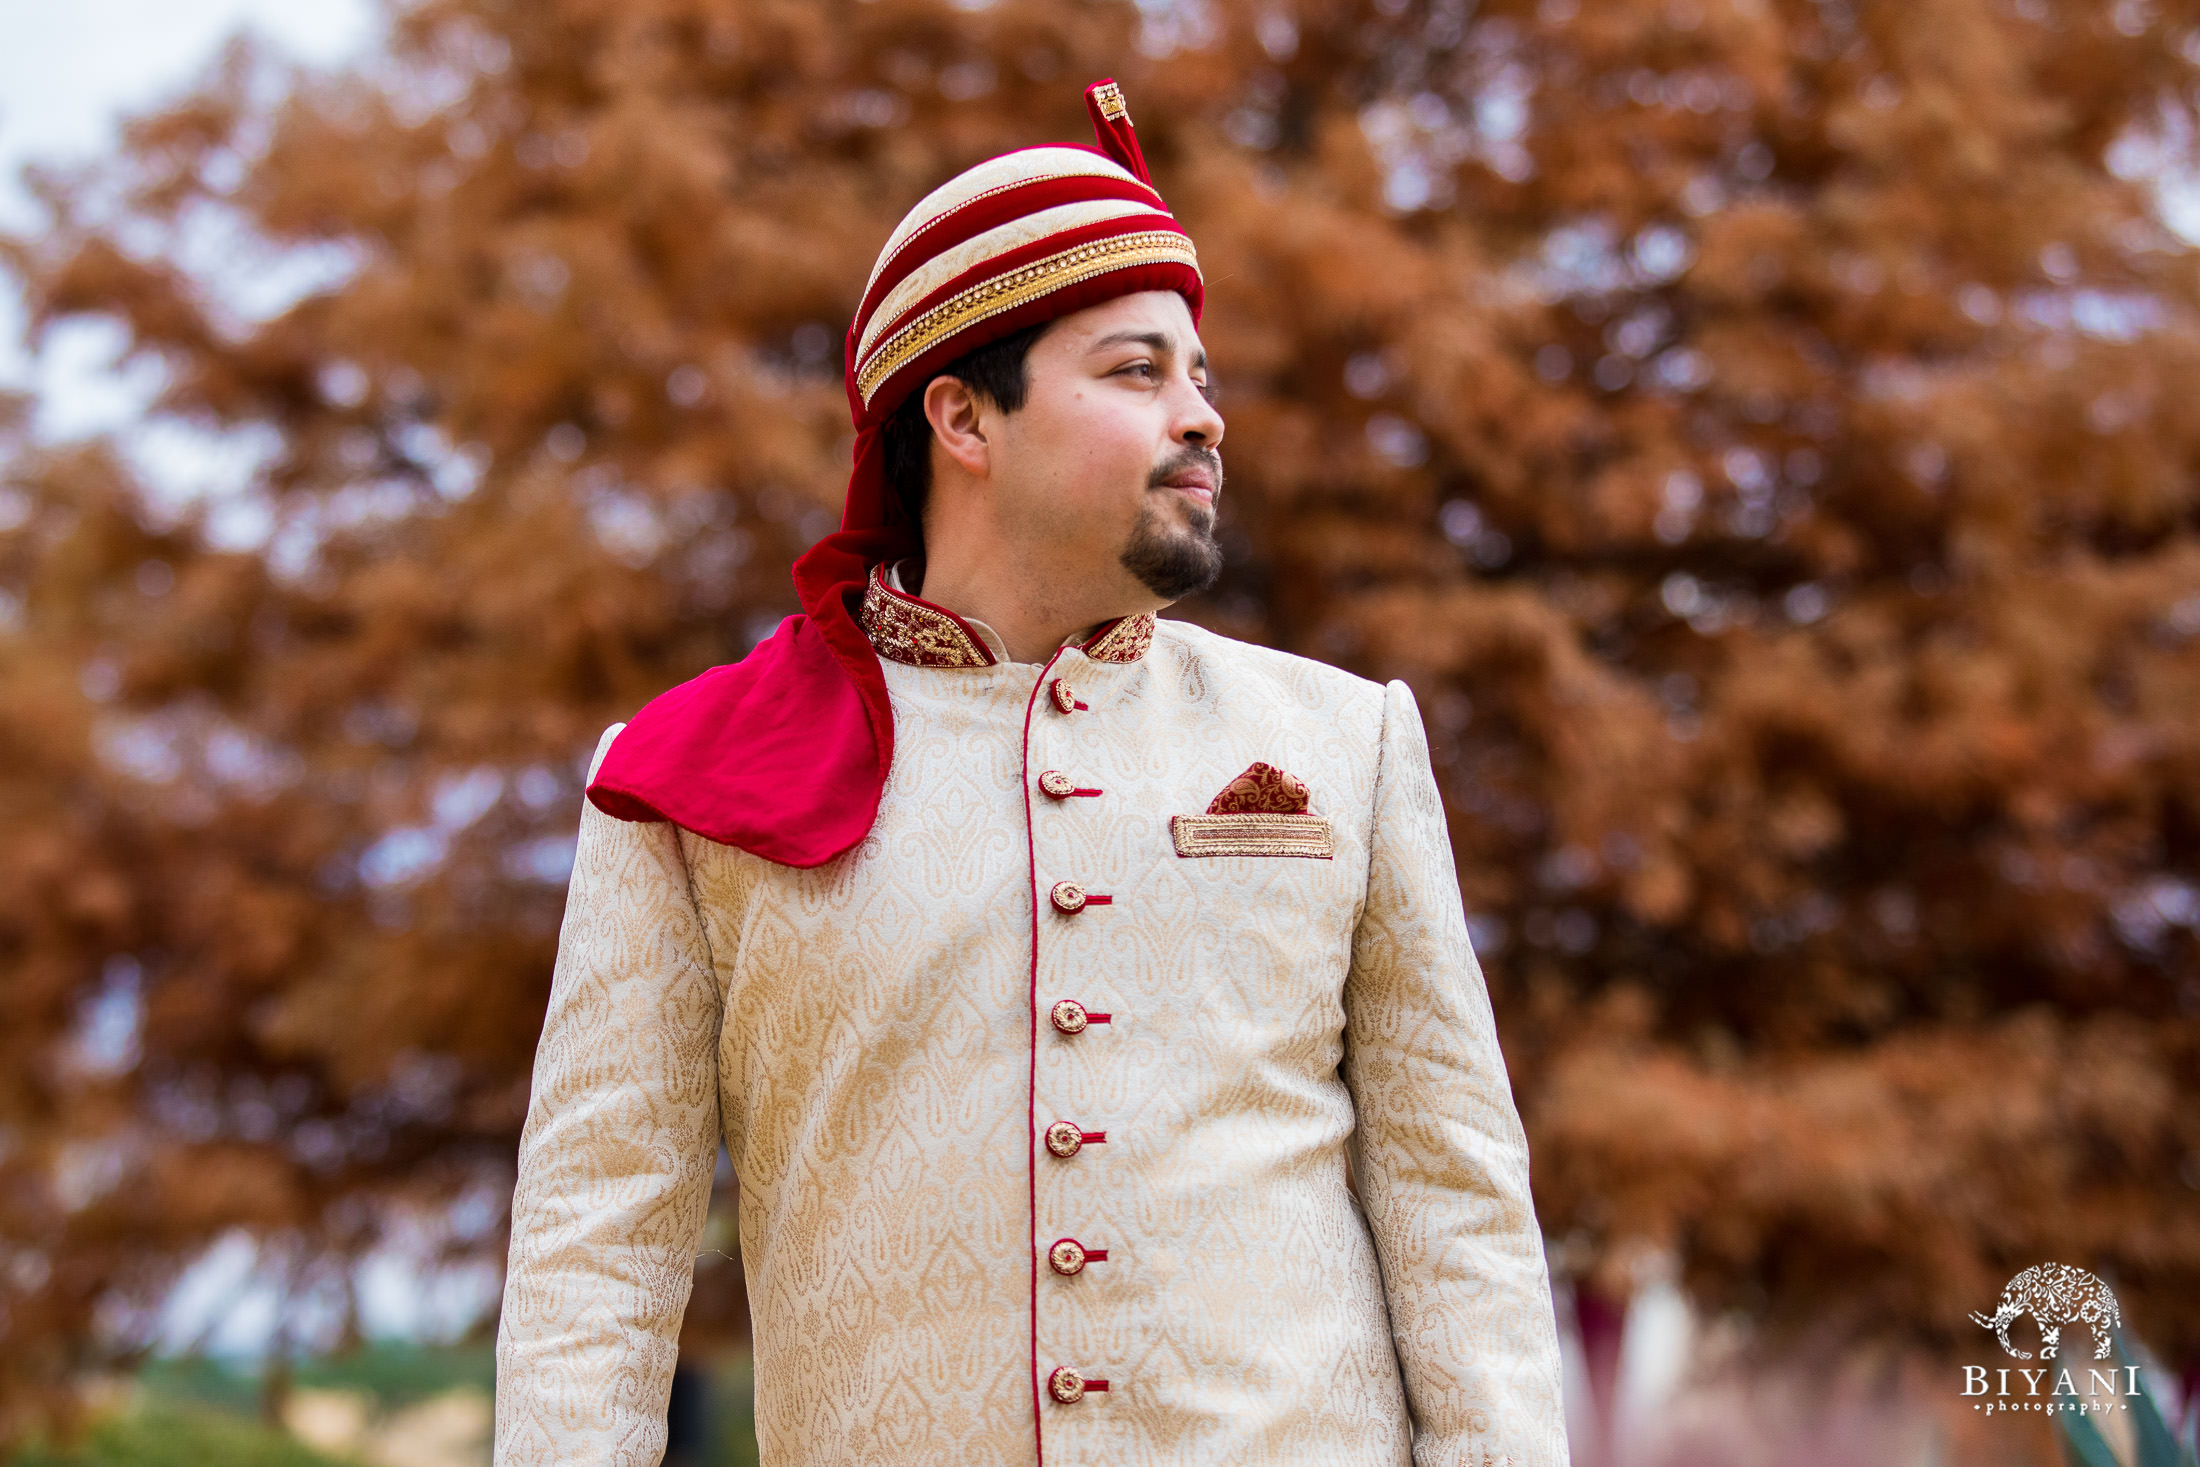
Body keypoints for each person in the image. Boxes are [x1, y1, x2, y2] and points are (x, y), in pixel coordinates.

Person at [494, 78, 1568, 1467]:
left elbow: (1456, 1211)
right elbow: (595, 1259)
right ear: (963, 419)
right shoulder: (682, 787)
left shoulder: (1346, 745)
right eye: (1137, 371)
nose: (1203, 417)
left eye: (1202, 374)